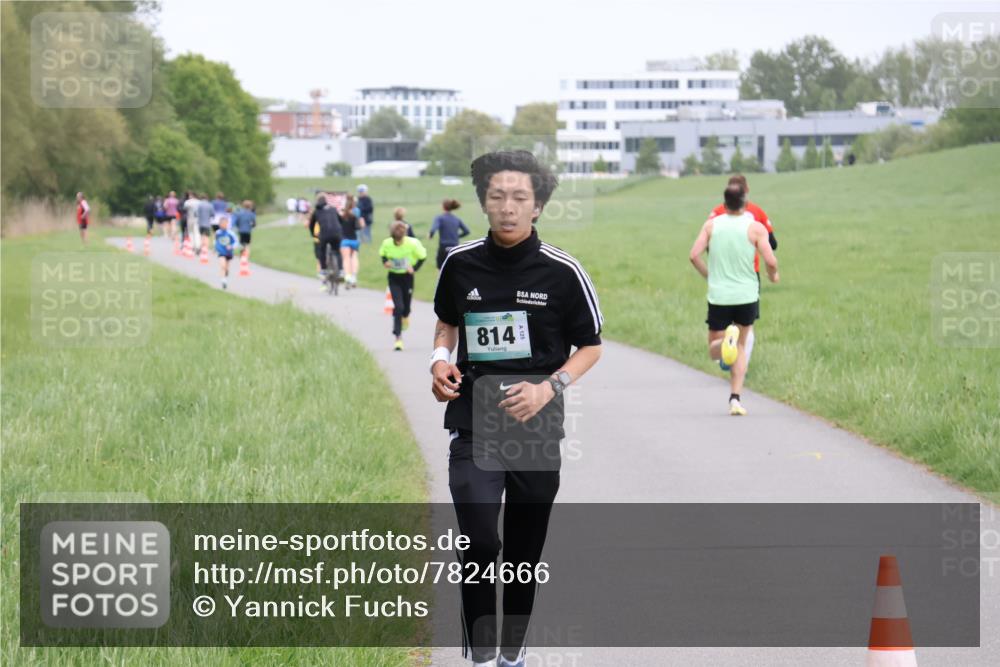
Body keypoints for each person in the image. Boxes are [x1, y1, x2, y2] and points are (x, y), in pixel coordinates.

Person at [430, 150, 603, 667]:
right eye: (497, 196)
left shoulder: (563, 272)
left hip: (536, 430)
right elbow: (445, 323)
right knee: (480, 541)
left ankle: (513, 652)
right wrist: (439, 360)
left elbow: (591, 346)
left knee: (524, 556)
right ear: (484, 201)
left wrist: (549, 387)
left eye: (519, 198)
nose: (507, 207)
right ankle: (482, 657)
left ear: (539, 206)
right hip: (473, 426)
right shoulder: (459, 264)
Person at [689, 183, 779, 416]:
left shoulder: (711, 226)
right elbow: (770, 260)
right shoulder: (755, 228)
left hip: (719, 295)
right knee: (740, 346)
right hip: (746, 295)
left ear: (725, 202)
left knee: (713, 350)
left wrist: (709, 274)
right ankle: (735, 399)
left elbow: (694, 255)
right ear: (745, 201)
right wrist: (773, 275)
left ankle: (726, 341)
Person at [707, 174, 778, 366]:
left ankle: (725, 356)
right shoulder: (756, 212)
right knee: (746, 326)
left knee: (723, 324)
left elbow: (706, 244)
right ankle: (740, 365)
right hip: (748, 274)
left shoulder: (716, 213)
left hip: (722, 274)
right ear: (746, 192)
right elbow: (773, 243)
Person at [380, 221, 426, 350]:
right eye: (396, 241)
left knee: (406, 308)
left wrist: (414, 268)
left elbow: (423, 256)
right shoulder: (387, 243)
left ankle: (406, 316)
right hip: (394, 278)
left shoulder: (412, 243)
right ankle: (398, 337)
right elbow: (382, 255)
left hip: (407, 278)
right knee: (398, 307)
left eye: (400, 240)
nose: (398, 243)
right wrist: (385, 262)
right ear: (392, 237)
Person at [309, 195, 343, 283]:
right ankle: (340, 271)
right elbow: (341, 220)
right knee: (338, 251)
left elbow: (311, 225)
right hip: (337, 233)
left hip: (324, 234)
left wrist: (313, 234)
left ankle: (323, 270)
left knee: (322, 251)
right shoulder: (333, 209)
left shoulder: (316, 211)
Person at [429, 198, 470, 269]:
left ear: (443, 207)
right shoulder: (457, 219)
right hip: (455, 247)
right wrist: (456, 236)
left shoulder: (439, 218)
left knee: (441, 269)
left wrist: (430, 235)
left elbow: (433, 229)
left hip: (444, 247)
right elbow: (467, 231)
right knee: (454, 269)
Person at [338, 194, 364, 288]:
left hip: (344, 240)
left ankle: (347, 276)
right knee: (354, 258)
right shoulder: (354, 216)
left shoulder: (341, 216)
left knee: (346, 259)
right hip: (354, 240)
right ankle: (354, 276)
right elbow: (358, 227)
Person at [214, 215, 238, 290]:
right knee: (222, 266)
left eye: (224, 224)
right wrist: (215, 248)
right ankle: (223, 281)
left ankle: (225, 275)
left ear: (227, 224)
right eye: (221, 224)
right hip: (221, 252)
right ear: (219, 224)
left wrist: (231, 246)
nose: (223, 225)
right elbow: (215, 241)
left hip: (228, 252)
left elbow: (236, 242)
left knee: (227, 268)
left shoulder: (231, 233)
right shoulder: (218, 233)